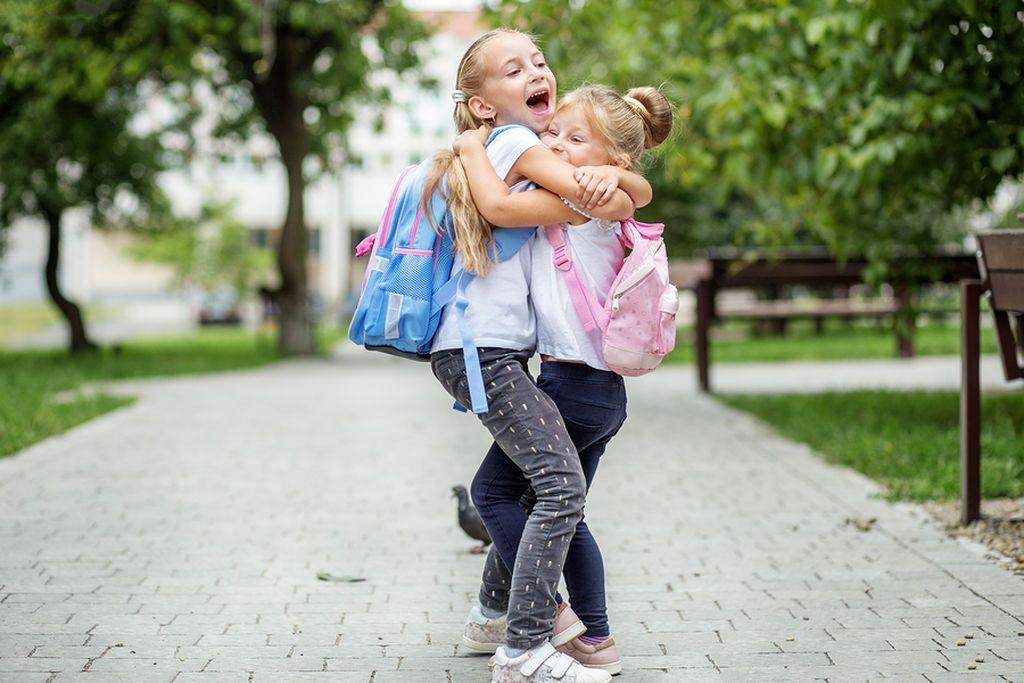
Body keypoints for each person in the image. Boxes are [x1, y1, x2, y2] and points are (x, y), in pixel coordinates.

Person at [425, 29, 651, 683]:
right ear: (482, 104)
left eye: (540, 61)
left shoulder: (501, 145)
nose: (536, 70)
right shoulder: (512, 144)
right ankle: (528, 643)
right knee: (555, 487)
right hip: (494, 353)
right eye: (514, 68)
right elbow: (527, 205)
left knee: (506, 488)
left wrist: (615, 180)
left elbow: (610, 192)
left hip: (489, 350)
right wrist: (603, 190)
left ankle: (494, 613)